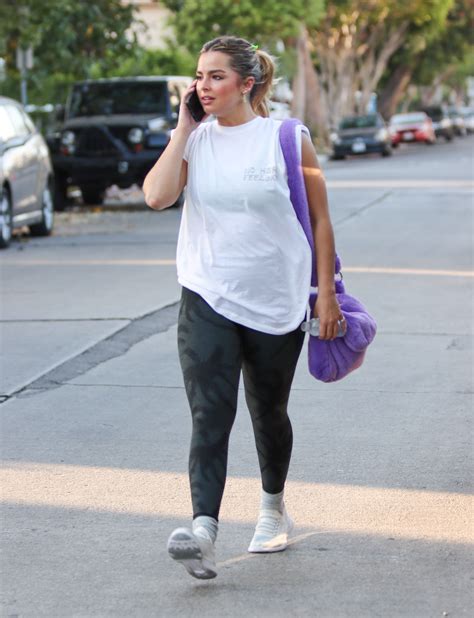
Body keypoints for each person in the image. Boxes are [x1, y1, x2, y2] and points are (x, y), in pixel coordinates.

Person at [143, 35, 345, 580]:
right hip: (207, 293)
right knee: (210, 413)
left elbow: (321, 220)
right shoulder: (195, 139)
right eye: (198, 76)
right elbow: (157, 196)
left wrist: (324, 293)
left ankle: (273, 507)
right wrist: (184, 129)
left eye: (215, 77)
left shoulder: (285, 138)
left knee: (267, 411)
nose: (202, 87)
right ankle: (202, 530)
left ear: (247, 83)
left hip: (275, 298)